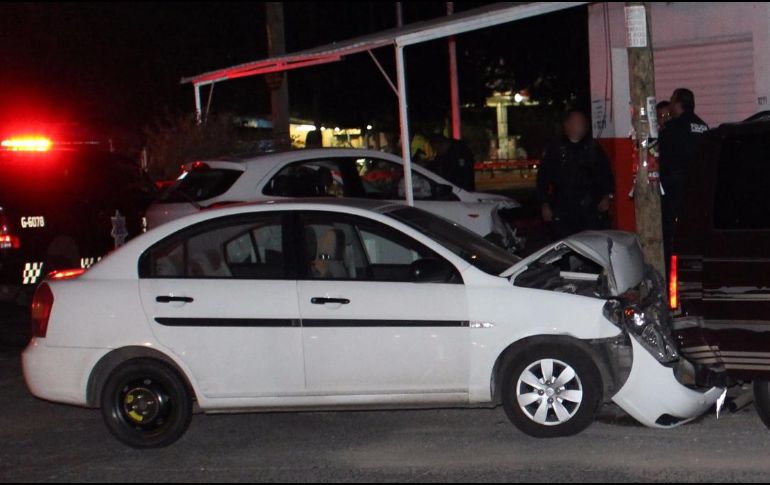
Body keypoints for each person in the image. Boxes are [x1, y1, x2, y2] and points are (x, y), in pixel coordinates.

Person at [537, 110, 615, 240]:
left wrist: (607, 196)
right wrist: (544, 204)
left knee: (592, 245)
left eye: (582, 123)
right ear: (567, 125)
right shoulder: (555, 148)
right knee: (562, 245)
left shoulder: (592, 148)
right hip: (563, 207)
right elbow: (542, 178)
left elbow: (606, 174)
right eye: (577, 123)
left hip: (590, 207)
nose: (581, 126)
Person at [658, 88, 708, 266]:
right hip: (699, 188)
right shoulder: (703, 126)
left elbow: (658, 154)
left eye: (671, 100)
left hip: (676, 188)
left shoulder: (673, 128)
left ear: (678, 103)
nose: (670, 104)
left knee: (672, 232)